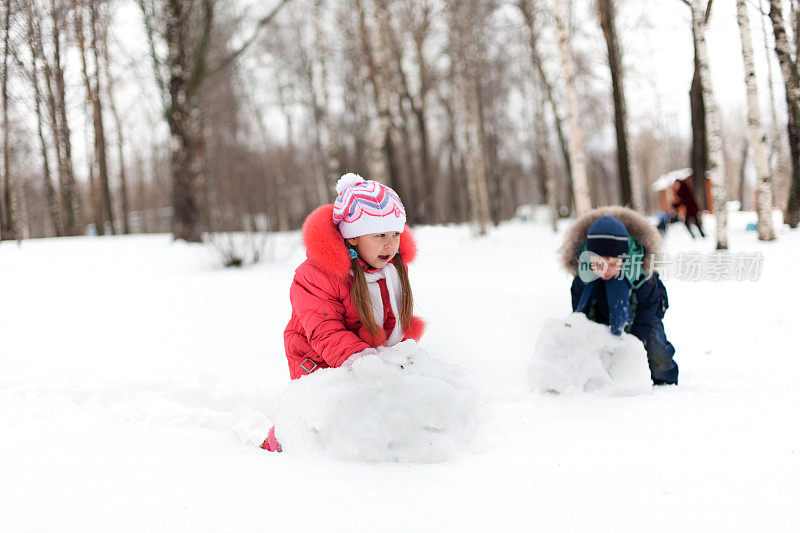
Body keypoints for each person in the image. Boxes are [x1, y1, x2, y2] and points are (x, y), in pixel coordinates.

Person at [261, 173, 426, 451]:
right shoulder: (316, 275)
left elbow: (390, 317)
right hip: (316, 358)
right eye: (380, 235)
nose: (390, 243)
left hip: (365, 353)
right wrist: (364, 361)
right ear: (352, 239)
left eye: (396, 233)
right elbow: (325, 331)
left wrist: (393, 357)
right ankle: (282, 438)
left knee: (370, 405)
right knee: (323, 412)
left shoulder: (392, 268)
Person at [559, 207, 679, 386]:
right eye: (599, 264)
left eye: (614, 264)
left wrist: (634, 344)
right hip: (601, 315)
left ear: (624, 258)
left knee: (657, 355)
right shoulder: (583, 278)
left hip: (643, 316)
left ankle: (665, 378)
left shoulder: (640, 273)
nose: (606, 270)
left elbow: (648, 309)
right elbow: (580, 313)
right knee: (603, 355)